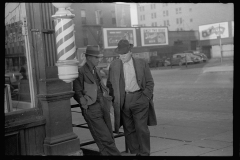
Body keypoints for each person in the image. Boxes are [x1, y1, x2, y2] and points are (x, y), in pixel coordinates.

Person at [107, 39, 157, 156]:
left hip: (139, 98)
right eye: (120, 54)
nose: (122, 56)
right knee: (128, 129)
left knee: (141, 128)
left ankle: (145, 153)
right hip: (123, 101)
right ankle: (136, 152)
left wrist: (145, 98)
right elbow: (109, 84)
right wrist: (114, 99)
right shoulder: (114, 65)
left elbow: (150, 82)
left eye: (124, 54)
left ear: (130, 52)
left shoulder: (141, 63)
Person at [72, 45, 121, 156]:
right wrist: (86, 105)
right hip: (92, 109)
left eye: (98, 57)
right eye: (96, 57)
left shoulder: (96, 70)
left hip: (102, 106)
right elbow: (77, 92)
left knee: (109, 136)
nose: (98, 60)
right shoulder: (81, 71)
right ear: (88, 57)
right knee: (105, 138)